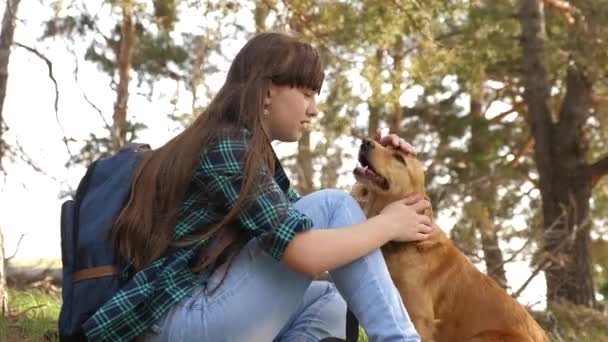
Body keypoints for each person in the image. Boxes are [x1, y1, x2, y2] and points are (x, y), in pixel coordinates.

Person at [83, 32, 433, 342]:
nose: (314, 109)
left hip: (199, 312)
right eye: (307, 93)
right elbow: (306, 251)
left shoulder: (249, 152)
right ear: (267, 91)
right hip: (170, 324)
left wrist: (376, 169)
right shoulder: (226, 147)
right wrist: (387, 225)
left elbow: (321, 237)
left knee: (331, 300)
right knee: (332, 205)